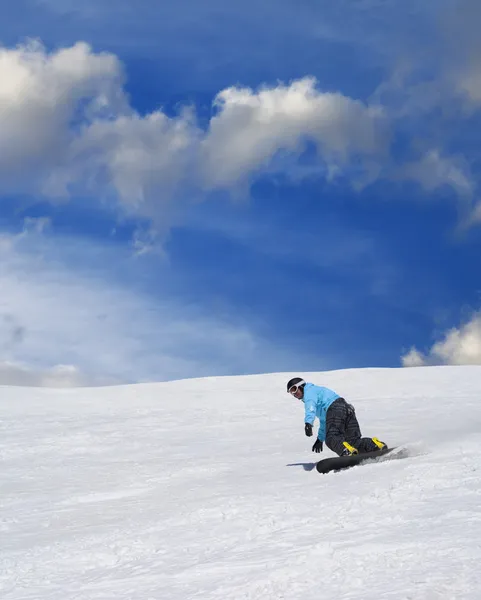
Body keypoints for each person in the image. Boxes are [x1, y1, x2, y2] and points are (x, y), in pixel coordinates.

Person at [286, 377, 386, 456]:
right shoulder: (318, 398)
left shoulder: (309, 392)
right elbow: (324, 421)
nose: (294, 394)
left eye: (294, 389)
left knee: (331, 438)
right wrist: (320, 439)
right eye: (291, 392)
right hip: (347, 409)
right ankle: (375, 445)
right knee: (353, 441)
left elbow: (310, 407)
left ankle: (346, 452)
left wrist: (308, 423)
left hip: (335, 408)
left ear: (301, 386)